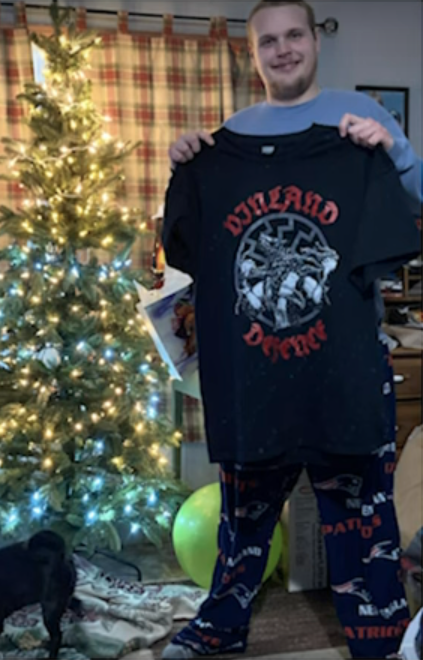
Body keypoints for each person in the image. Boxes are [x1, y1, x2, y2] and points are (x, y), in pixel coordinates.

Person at [161, 2, 421, 659]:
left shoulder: (357, 127)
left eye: (292, 36)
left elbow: (409, 207)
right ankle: (219, 627)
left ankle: (378, 640)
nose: (281, 50)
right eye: (266, 41)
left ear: (313, 42)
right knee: (243, 517)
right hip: (255, 377)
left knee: (362, 518)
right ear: (253, 53)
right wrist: (186, 163)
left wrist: (390, 152)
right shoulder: (224, 147)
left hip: (342, 369)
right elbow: (192, 250)